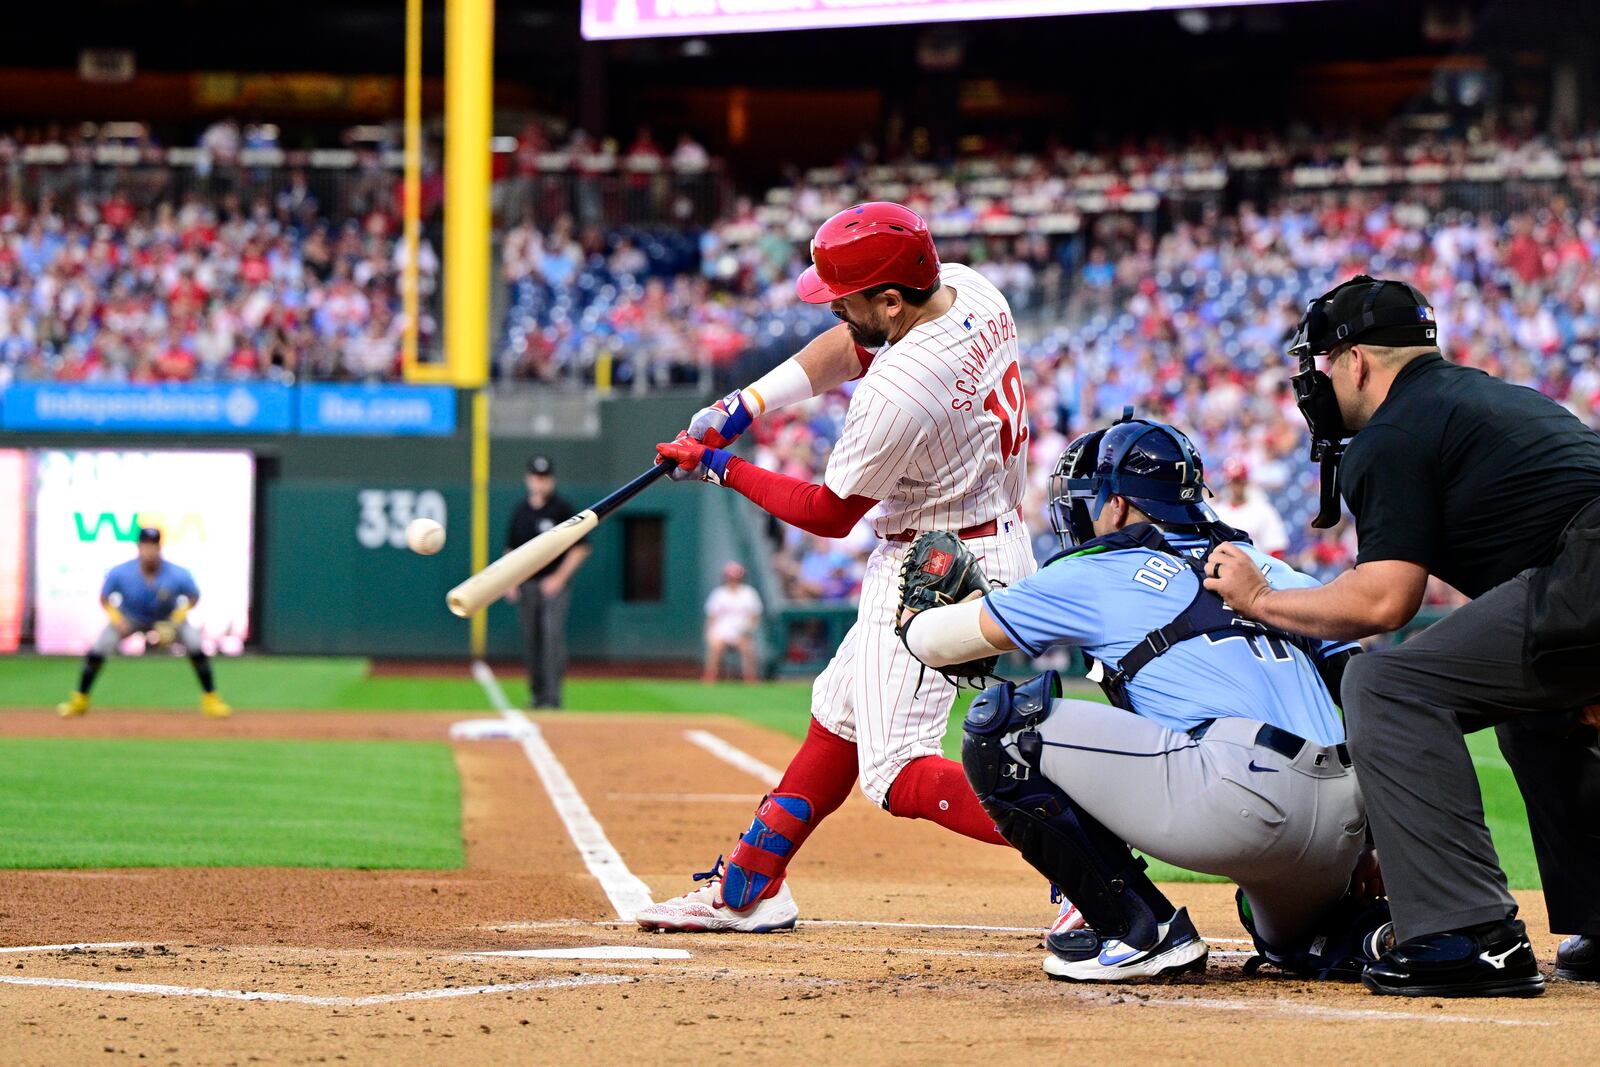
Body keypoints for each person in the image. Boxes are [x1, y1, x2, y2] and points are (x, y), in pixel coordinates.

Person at [637, 202, 1036, 932]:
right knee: (838, 715)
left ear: (890, 299)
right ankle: (750, 884)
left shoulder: (901, 388)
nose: (837, 311)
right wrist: (747, 401)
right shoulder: (967, 288)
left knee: (896, 770)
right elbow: (858, 344)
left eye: (846, 299)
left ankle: (1083, 863)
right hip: (975, 536)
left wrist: (721, 466)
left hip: (936, 568)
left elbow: (829, 512)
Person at [1205, 275, 1600, 997]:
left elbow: (1386, 601)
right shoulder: (1484, 397)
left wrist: (1261, 598)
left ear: (1356, 361)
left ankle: (1471, 934)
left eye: (1324, 364)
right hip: (1582, 575)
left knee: (1384, 686)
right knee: (1534, 713)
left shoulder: (1391, 431)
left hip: (1588, 571)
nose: (1318, 382)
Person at [900, 415, 1382, 982]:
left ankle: (1139, 930)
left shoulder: (1098, 569)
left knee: (1002, 728)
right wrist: (1375, 844)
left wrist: (914, 617)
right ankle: (1357, 931)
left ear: (1119, 505)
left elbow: (935, 642)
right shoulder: (1279, 572)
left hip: (1240, 801)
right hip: (1346, 824)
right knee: (1289, 940)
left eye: (1092, 499)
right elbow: (1365, 699)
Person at [57, 527, 231, 719]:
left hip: (167, 618)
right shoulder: (121, 572)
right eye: (146, 546)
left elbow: (193, 597)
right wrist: (117, 619)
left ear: (160, 548)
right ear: (138, 547)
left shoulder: (176, 573)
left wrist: (176, 619)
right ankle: (80, 700)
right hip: (130, 617)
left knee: (195, 644)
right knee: (99, 648)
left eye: (154, 546)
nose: (150, 551)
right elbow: (105, 598)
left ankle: (211, 699)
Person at [504, 456, 590, 710]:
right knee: (531, 639)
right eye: (535, 477)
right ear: (528, 479)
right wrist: (509, 581)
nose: (539, 483)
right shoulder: (521, 511)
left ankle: (553, 697)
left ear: (551, 480)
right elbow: (511, 549)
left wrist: (559, 578)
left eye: (544, 478)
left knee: (552, 638)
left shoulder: (562, 509)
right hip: (527, 584)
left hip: (553, 585)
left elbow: (581, 548)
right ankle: (537, 694)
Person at [1209, 457, 1289, 557]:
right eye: (1234, 482)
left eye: (1240, 481)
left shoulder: (1264, 510)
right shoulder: (1216, 513)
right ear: (1227, 483)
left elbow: (1276, 548)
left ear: (1246, 482)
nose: (1237, 486)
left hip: (1257, 567)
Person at [703, 562, 763, 684]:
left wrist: (748, 628)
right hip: (722, 631)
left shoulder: (749, 593)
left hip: (741, 632)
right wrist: (709, 634)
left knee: (747, 648)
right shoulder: (719, 593)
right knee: (716, 646)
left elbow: (755, 617)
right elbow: (711, 617)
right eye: (731, 577)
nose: (733, 580)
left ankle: (750, 678)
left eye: (736, 578)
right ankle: (710, 676)